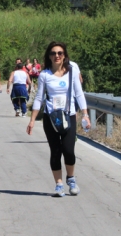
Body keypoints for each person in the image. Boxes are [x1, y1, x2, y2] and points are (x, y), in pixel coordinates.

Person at [27, 42, 90, 197]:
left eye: (60, 53)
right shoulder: (44, 75)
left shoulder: (72, 72)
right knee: (55, 151)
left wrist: (85, 114)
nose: (57, 56)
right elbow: (39, 98)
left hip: (69, 115)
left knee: (68, 150)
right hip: (51, 117)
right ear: (49, 56)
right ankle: (59, 184)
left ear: (64, 56)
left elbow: (79, 93)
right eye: (53, 53)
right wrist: (32, 120)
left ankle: (71, 178)